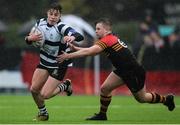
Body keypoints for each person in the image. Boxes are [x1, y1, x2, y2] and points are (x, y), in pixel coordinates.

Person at [56, 18, 175, 120]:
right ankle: (102, 115)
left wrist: (68, 55)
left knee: (142, 98)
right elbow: (91, 50)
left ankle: (166, 100)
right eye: (96, 29)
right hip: (122, 70)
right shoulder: (107, 40)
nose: (96, 31)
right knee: (105, 89)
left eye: (98, 29)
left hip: (133, 71)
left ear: (107, 30)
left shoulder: (108, 40)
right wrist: (75, 48)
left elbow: (90, 52)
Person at [25, 3, 84, 121]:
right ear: (47, 13)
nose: (52, 17)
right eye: (51, 14)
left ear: (59, 16)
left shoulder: (61, 27)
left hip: (59, 63)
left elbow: (79, 36)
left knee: (45, 95)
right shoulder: (39, 23)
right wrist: (29, 39)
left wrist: (72, 37)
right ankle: (43, 113)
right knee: (34, 90)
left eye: (56, 15)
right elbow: (29, 39)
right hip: (44, 61)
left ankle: (65, 86)